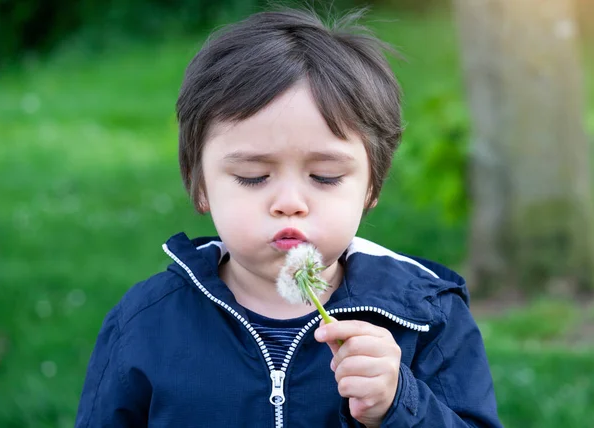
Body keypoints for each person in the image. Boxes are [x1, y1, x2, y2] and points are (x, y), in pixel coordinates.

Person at [75, 6, 502, 428]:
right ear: (200, 183)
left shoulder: (426, 318)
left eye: (325, 176)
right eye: (253, 177)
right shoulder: (146, 323)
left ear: (372, 186)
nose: (289, 202)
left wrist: (400, 404)